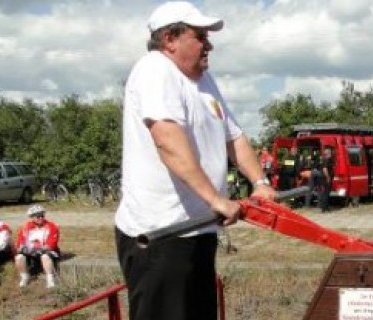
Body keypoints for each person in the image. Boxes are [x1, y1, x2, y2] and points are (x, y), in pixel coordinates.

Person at [115, 2, 275, 320]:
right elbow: (168, 141)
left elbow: (235, 138)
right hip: (162, 234)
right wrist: (217, 199)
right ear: (170, 39)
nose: (209, 45)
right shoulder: (155, 69)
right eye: (200, 36)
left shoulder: (203, 81)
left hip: (199, 230)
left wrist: (260, 183)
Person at [15, 205, 60, 289]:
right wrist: (22, 248)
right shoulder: (25, 227)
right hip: (30, 251)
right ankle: (24, 277)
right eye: (37, 216)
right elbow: (20, 243)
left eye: (42, 215)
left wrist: (40, 249)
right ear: (31, 217)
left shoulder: (52, 226)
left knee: (45, 256)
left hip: (47, 250)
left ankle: (50, 278)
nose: (40, 218)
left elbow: (51, 244)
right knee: (19, 257)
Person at [318, 148, 335, 213]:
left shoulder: (324, 159)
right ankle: (324, 208)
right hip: (325, 179)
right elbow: (325, 169)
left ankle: (325, 207)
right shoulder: (327, 160)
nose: (331, 154)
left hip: (323, 178)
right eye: (330, 153)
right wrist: (328, 177)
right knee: (326, 193)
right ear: (328, 153)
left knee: (325, 193)